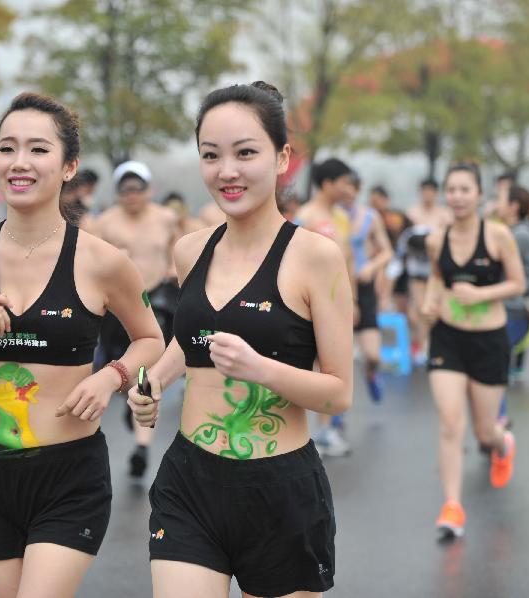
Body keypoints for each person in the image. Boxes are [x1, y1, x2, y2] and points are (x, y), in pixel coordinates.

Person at [0, 92, 165, 598]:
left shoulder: (104, 261)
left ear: (68, 166)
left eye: (38, 149)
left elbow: (151, 339)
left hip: (70, 473)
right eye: (7, 148)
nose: (19, 162)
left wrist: (111, 377)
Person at [129, 80, 353, 598]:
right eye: (211, 156)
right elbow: (191, 342)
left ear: (282, 158)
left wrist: (261, 368)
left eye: (245, 153)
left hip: (281, 491)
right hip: (190, 481)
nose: (226, 171)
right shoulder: (190, 251)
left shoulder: (315, 258)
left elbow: (339, 392)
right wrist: (152, 381)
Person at [421, 163, 525, 539]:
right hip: (448, 337)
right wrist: (431, 303)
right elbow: (437, 276)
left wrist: (480, 293)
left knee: (483, 433)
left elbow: (518, 283)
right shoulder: (437, 239)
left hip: (488, 340)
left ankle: (502, 442)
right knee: (450, 422)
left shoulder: (498, 236)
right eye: (452, 190)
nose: (457, 197)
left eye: (465, 189)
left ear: (479, 195)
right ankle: (452, 506)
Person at [88, 160, 179, 478]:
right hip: (116, 306)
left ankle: (142, 444)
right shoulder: (105, 222)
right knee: (121, 368)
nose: (132, 195)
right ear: (118, 193)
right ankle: (132, 403)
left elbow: (177, 250)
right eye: (125, 189)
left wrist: (173, 268)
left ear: (148, 189)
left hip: (155, 300)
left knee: (149, 370)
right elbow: (90, 261)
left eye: (137, 188)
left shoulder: (165, 218)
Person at [295, 157, 356, 457]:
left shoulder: (342, 217)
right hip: (311, 304)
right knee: (321, 367)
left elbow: (348, 260)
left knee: (335, 366)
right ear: (328, 183)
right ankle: (321, 431)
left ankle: (330, 427)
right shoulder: (304, 216)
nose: (349, 188)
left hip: (338, 304)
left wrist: (352, 299)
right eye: (345, 182)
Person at [340, 174, 394, 402]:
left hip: (363, 287)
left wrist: (372, 267)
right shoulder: (330, 217)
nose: (348, 192)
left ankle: (371, 372)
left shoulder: (369, 217)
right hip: (337, 286)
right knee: (338, 356)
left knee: (372, 354)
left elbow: (387, 251)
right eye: (345, 187)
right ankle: (334, 417)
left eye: (353, 188)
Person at [495, 185, 529, 424]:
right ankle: (498, 417)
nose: (496, 204)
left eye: (500, 199)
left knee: (495, 362)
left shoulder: (519, 235)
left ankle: (499, 418)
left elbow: (523, 279)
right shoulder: (513, 231)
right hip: (510, 308)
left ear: (514, 206)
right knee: (496, 362)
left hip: (513, 310)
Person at [401, 178, 453, 366]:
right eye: (425, 191)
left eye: (431, 191)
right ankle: (419, 344)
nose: (428, 194)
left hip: (435, 268)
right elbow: (404, 240)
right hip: (415, 266)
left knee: (431, 309)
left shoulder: (444, 215)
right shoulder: (412, 213)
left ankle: (427, 345)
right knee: (417, 309)